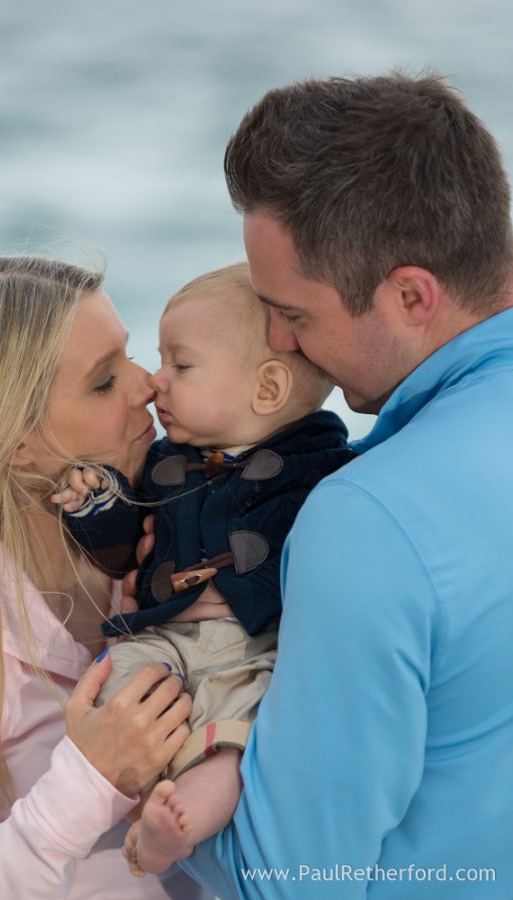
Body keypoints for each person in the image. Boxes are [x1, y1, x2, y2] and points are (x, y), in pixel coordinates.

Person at [174, 74, 513, 898]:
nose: (278, 340)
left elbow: (286, 883)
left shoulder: (369, 517)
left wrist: (138, 773)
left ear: (409, 295)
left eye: (293, 312)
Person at [0, 252, 212, 900]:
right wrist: (90, 778)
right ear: (16, 439)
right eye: (104, 381)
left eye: (128, 356)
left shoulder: (156, 542)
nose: (147, 385)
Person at [56, 262, 353, 877]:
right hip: (158, 635)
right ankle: (137, 803)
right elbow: (120, 535)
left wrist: (257, 596)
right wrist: (94, 502)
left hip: (247, 648)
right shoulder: (165, 461)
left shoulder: (325, 467)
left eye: (180, 366)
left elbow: (336, 565)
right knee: (116, 696)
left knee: (232, 736)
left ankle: (176, 825)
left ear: (266, 390)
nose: (155, 382)